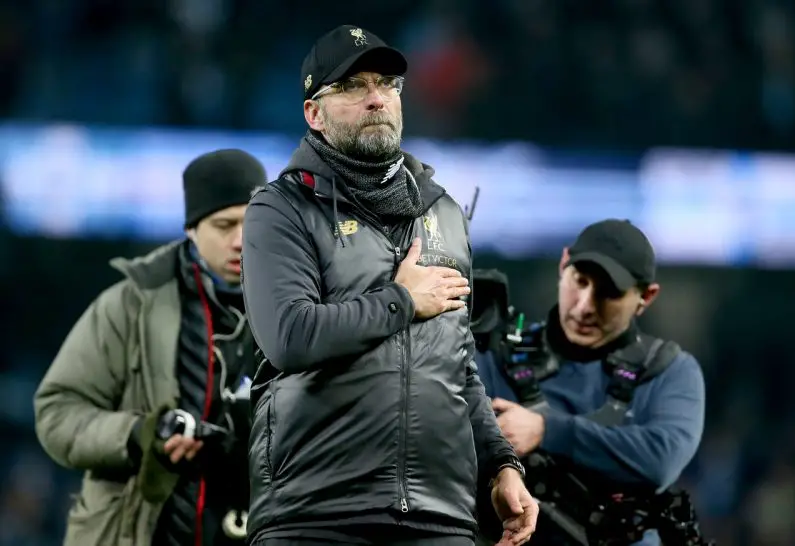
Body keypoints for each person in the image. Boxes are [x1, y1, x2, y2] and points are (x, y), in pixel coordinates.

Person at [242, 24, 538, 546]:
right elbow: (288, 336)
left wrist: (501, 466)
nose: (376, 98)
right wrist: (400, 301)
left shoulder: (445, 214)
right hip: (316, 514)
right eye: (352, 86)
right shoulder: (281, 208)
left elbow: (459, 366)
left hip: (440, 516)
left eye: (386, 83)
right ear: (314, 114)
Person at [34, 149, 267, 546]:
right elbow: (56, 412)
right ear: (192, 229)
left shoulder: (300, 305)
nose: (240, 241)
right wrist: (138, 434)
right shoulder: (129, 306)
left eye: (254, 222)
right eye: (224, 225)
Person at [476, 219, 706, 546]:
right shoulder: (497, 357)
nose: (585, 306)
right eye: (580, 281)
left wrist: (545, 430)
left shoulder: (669, 371)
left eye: (608, 293)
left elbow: (659, 460)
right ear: (563, 265)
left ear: (646, 296)